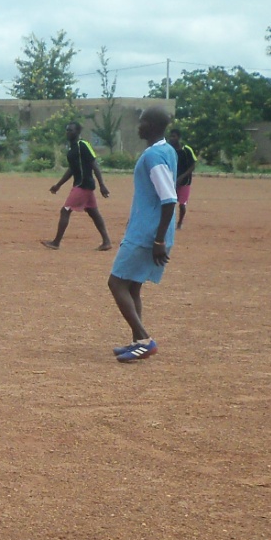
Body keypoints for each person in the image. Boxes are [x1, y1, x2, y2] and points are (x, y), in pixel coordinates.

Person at [108, 106, 179, 363]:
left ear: (151, 125)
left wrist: (158, 239)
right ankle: (138, 342)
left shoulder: (154, 156)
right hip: (149, 230)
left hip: (147, 234)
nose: (138, 126)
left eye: (142, 122)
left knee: (116, 283)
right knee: (132, 286)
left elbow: (169, 199)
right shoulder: (167, 150)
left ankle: (145, 340)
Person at [43, 122, 113, 250]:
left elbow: (94, 164)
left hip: (83, 185)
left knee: (65, 210)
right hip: (82, 184)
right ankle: (106, 242)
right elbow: (72, 169)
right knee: (93, 212)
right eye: (67, 130)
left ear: (78, 132)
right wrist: (58, 185)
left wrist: (102, 185)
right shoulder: (72, 148)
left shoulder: (83, 145)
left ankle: (56, 242)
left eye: (71, 130)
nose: (68, 132)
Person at [169, 128, 196, 228]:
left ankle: (180, 222)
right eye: (171, 136)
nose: (172, 138)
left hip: (185, 182)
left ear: (179, 137)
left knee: (182, 204)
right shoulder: (169, 150)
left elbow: (192, 166)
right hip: (172, 181)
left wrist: (182, 177)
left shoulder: (186, 150)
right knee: (169, 203)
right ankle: (169, 222)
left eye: (174, 136)